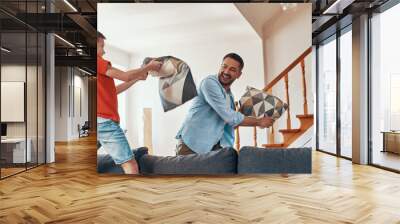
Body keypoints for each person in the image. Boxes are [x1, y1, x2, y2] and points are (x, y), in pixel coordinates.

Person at [175, 53, 274, 155]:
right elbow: (230, 117)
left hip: (214, 148)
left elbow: (228, 123)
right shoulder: (209, 83)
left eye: (232, 69)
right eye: (224, 66)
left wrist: (253, 119)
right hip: (192, 145)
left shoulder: (229, 96)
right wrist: (258, 122)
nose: (226, 72)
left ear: (239, 75)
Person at [97, 31, 162, 174]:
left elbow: (115, 90)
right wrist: (149, 67)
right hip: (105, 122)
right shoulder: (98, 62)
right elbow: (125, 76)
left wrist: (138, 77)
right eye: (101, 46)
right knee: (131, 165)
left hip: (97, 122)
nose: (104, 50)